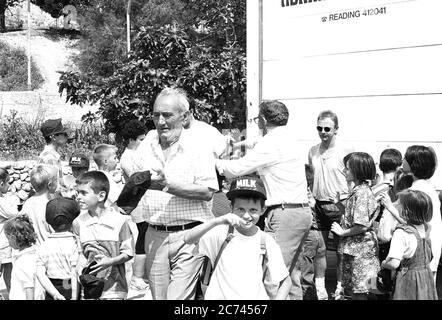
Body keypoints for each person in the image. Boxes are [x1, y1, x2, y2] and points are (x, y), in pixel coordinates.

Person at [216, 100, 312, 300]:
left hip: (284, 215)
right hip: (301, 213)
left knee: (273, 275)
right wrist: (239, 143)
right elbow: (257, 143)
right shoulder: (290, 139)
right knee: (291, 275)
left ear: (262, 119)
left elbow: (237, 169)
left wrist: (215, 162)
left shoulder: (271, 143)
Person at [133, 87, 218, 300]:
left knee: (178, 299)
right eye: (156, 115)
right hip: (153, 235)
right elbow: (135, 179)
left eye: (167, 115)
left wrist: (166, 185)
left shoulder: (198, 146)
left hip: (189, 235)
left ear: (185, 116)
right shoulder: (147, 143)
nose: (161, 121)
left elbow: (208, 192)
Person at [184, 175, 291, 299]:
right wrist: (218, 220)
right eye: (240, 209)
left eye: (253, 210)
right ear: (231, 208)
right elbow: (188, 238)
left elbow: (285, 281)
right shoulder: (221, 233)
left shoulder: (266, 241)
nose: (246, 215)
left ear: (263, 210)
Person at [308, 110, 354, 300]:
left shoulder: (345, 151)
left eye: (327, 128)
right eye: (319, 128)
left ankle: (340, 288)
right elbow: (310, 176)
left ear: (336, 129)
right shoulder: (312, 151)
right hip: (318, 205)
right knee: (319, 248)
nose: (323, 132)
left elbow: (354, 178)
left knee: (342, 250)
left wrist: (350, 202)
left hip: (340, 204)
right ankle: (320, 288)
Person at [73, 171, 133, 300]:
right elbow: (81, 253)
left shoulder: (119, 221)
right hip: (89, 289)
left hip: (114, 290)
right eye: (77, 192)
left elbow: (128, 252)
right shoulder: (78, 222)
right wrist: (80, 271)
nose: (78, 196)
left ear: (101, 196)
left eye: (84, 193)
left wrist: (110, 261)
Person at [331, 152, 380, 300]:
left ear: (358, 170)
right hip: (356, 251)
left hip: (361, 252)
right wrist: (339, 204)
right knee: (358, 290)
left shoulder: (362, 193)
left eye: (347, 168)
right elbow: (353, 217)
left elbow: (362, 226)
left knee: (361, 291)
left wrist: (342, 232)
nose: (344, 171)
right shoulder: (358, 191)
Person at [381, 190, 438, 300]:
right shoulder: (426, 227)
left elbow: (393, 263)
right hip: (425, 277)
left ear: (406, 211)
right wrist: (390, 208)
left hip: (408, 280)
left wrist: (384, 263)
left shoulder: (401, 233)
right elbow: (408, 225)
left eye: (399, 205)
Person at [402, 145, 442, 281]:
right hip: (430, 251)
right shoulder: (428, 188)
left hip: (421, 255)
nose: (402, 160)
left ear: (414, 163)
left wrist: (390, 207)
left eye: (406, 158)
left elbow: (411, 222)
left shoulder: (416, 191)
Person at [36, 197, 81, 300]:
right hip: (71, 288)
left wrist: (55, 294)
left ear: (48, 222)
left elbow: (40, 273)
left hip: (51, 290)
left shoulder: (44, 245)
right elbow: (75, 273)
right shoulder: (75, 243)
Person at [4, 215, 43, 300]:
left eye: (8, 239)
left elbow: (29, 287)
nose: (8, 242)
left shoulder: (23, 261)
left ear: (13, 238)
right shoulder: (35, 255)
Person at [21, 164, 59, 245]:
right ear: (50, 185)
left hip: (36, 248)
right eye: (56, 180)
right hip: (51, 247)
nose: (57, 182)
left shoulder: (27, 203)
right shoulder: (50, 205)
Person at [0, 166, 20, 297]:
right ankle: (11, 293)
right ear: (1, 183)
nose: (9, 186)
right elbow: (13, 213)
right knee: (7, 269)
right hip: (2, 241)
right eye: (8, 182)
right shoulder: (1, 201)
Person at [38, 118, 70, 183]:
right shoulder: (50, 157)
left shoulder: (49, 154)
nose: (66, 136)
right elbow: (54, 187)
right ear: (54, 137)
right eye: (64, 134)